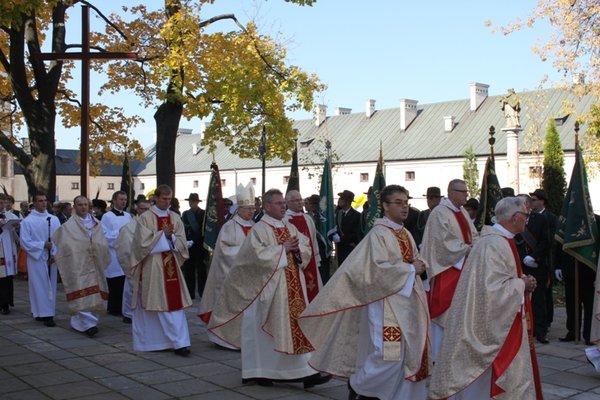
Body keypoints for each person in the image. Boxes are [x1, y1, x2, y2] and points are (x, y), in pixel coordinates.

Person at [299, 184, 431, 400]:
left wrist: (420, 263)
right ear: (386, 207)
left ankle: (389, 392)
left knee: (407, 351)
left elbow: (413, 258)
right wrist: (410, 269)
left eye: (406, 202)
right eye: (398, 203)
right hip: (384, 301)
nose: (404, 207)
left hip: (407, 301)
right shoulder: (378, 234)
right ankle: (360, 385)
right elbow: (375, 269)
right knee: (387, 353)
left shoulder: (404, 232)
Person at [208, 188, 331, 388]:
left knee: (294, 328)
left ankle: (305, 371)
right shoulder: (259, 229)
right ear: (266, 206)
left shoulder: (289, 227)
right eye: (278, 203)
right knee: (266, 332)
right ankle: (261, 371)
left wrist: (298, 249)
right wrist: (282, 250)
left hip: (292, 288)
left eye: (284, 202)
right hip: (268, 289)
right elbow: (251, 258)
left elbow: (306, 246)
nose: (283, 206)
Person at [429, 196, 543, 399]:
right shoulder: (493, 244)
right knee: (484, 380)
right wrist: (521, 284)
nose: (528, 219)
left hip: (502, 318)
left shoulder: (501, 240)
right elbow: (492, 291)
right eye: (526, 215)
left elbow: (500, 279)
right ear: (515, 217)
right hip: (488, 326)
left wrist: (522, 281)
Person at [128, 184, 192, 356]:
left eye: (170, 198)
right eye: (164, 198)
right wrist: (162, 235)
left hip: (171, 264)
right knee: (157, 302)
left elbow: (181, 240)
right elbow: (141, 244)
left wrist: (171, 238)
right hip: (153, 266)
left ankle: (180, 342)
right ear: (155, 198)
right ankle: (154, 342)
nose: (167, 201)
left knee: (174, 304)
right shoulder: (146, 217)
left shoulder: (175, 217)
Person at [421, 179, 478, 360]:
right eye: (463, 192)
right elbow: (442, 242)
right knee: (444, 310)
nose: (466, 195)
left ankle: (456, 350)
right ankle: (438, 355)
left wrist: (478, 244)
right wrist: (466, 249)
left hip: (463, 266)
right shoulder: (440, 212)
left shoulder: (461, 212)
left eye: (466, 192)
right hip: (446, 269)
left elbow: (473, 234)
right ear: (451, 192)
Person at [199, 183, 255, 349]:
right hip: (232, 275)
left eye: (253, 208)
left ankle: (245, 339)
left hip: (250, 276)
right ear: (239, 209)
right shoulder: (230, 226)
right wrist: (248, 253)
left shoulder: (255, 227)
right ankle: (224, 339)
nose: (252, 211)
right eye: (248, 208)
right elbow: (224, 251)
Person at [52, 196, 111, 337]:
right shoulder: (68, 226)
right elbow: (62, 243)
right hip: (77, 263)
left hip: (95, 263)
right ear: (75, 206)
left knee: (95, 292)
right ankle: (88, 324)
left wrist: (98, 248)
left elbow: (102, 240)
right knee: (80, 292)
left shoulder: (97, 223)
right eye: (80, 205)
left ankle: (83, 322)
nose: (83, 207)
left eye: (85, 204)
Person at [514, 193, 551, 344]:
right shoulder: (514, 218)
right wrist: (523, 257)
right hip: (521, 264)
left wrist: (535, 257)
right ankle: (524, 328)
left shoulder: (541, 219)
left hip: (537, 264)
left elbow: (545, 241)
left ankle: (541, 331)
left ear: (528, 205)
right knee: (521, 298)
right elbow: (514, 240)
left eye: (521, 203)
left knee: (539, 299)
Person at [19, 193, 61, 327]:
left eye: (45, 200)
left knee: (50, 285)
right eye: (40, 201)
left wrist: (55, 253)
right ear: (34, 203)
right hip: (36, 258)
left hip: (51, 258)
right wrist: (42, 245)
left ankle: (48, 313)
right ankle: (39, 312)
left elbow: (59, 239)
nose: (43, 203)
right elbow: (24, 242)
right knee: (38, 285)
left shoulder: (53, 219)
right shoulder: (27, 221)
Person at [114, 198, 152, 324]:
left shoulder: (153, 224)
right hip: (134, 262)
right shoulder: (129, 227)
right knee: (131, 289)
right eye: (143, 209)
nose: (145, 211)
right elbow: (124, 245)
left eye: (148, 209)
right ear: (137, 209)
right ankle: (129, 314)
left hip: (150, 262)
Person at [284, 190, 322, 302]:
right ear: (288, 202)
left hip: (310, 259)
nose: (300, 203)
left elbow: (313, 239)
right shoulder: (285, 219)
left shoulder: (308, 218)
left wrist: (316, 256)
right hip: (295, 259)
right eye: (296, 200)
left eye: (301, 200)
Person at [101, 191, 132, 318]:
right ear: (114, 200)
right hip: (113, 253)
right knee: (115, 280)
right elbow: (104, 235)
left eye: (125, 199)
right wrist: (119, 232)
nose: (123, 202)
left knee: (125, 280)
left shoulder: (128, 216)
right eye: (121, 199)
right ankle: (114, 307)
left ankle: (124, 306)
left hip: (126, 252)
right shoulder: (107, 216)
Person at [180, 193, 206, 299]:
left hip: (200, 245)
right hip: (189, 246)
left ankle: (202, 292)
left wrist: (194, 240)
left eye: (194, 201)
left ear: (197, 202)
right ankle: (190, 293)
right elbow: (183, 228)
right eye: (190, 201)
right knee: (189, 270)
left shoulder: (203, 213)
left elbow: (203, 230)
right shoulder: (185, 214)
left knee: (201, 271)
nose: (192, 203)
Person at [0, 194, 20, 315]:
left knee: (8, 279)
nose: (2, 205)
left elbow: (16, 236)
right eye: (0, 202)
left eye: (4, 202)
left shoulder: (10, 216)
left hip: (8, 251)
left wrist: (17, 228)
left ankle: (7, 303)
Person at [333, 190, 362, 265]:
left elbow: (356, 234)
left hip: (350, 249)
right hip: (339, 249)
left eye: (341, 199)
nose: (339, 200)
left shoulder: (356, 216)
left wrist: (341, 239)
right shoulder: (339, 214)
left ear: (347, 201)